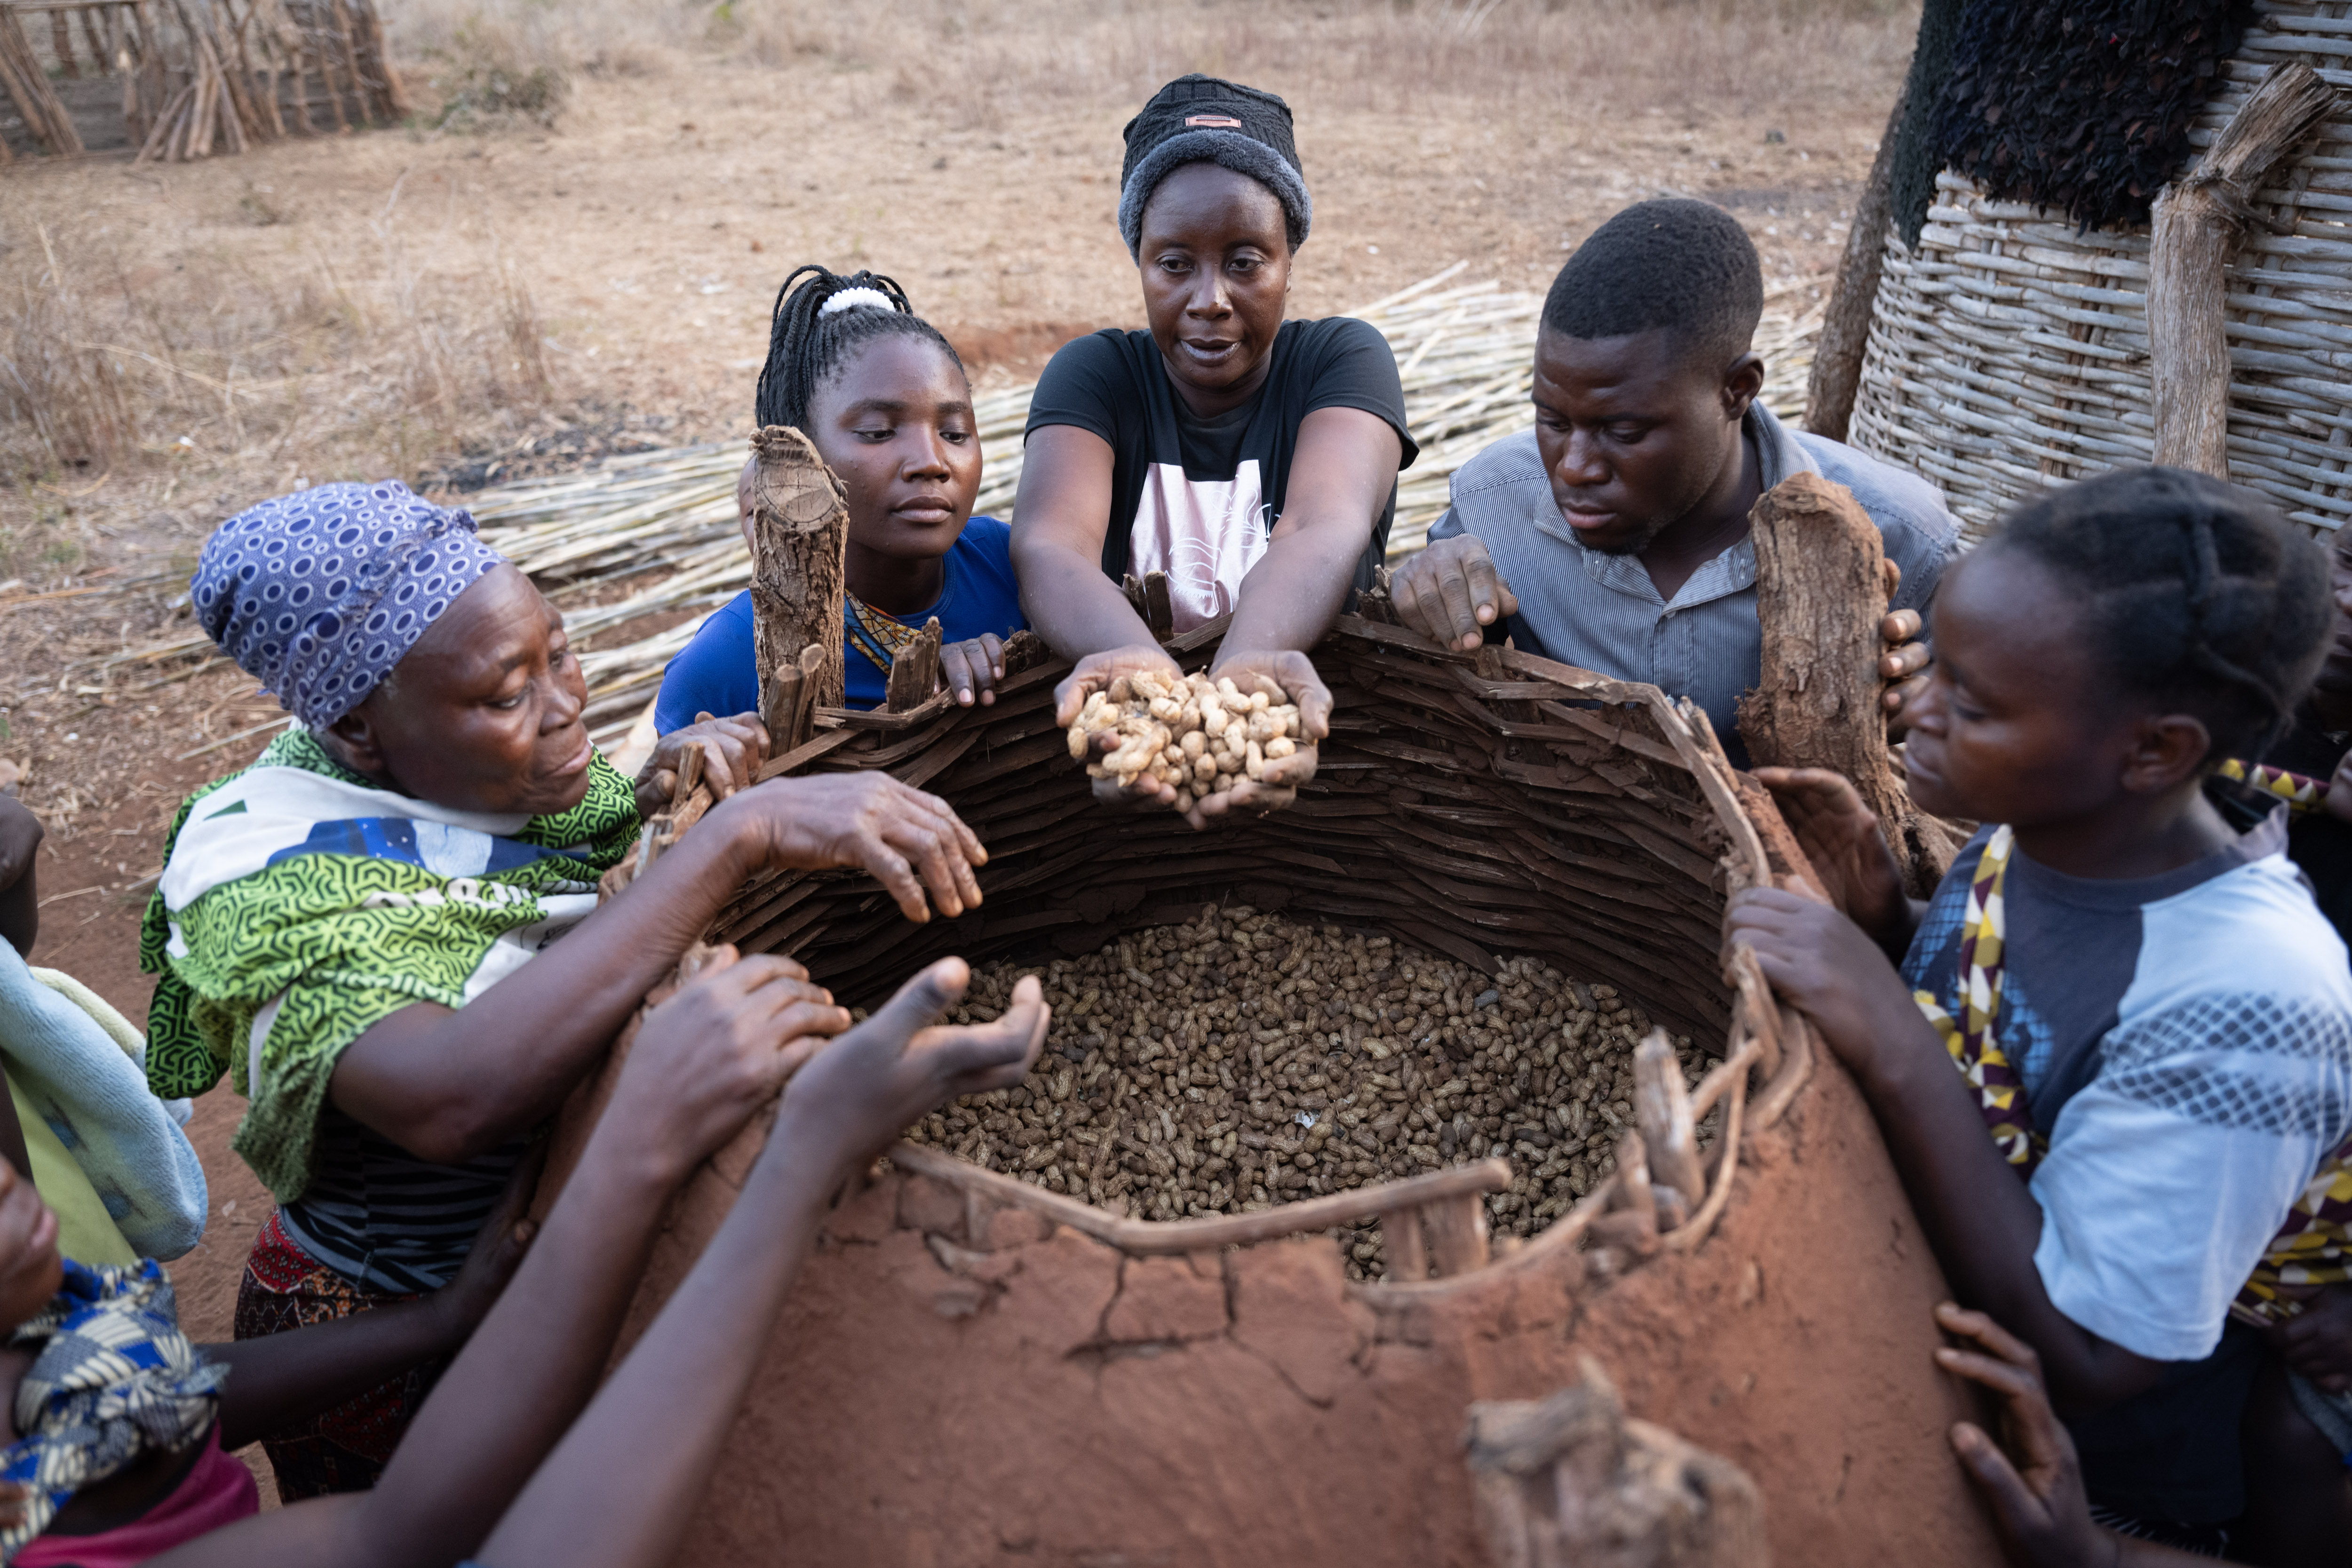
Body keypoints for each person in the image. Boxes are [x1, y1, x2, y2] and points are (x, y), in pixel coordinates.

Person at [143, 480, 990, 1498]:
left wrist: (656, 791)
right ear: (361, 733)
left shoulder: (457, 770)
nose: (567, 703)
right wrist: (736, 837)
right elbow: (454, 1092)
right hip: (392, 1334)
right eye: (508, 694)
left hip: (536, 1284)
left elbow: (554, 855)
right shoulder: (274, 874)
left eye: (562, 651)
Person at [1725, 467, 2352, 1551]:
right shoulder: (2060, 826)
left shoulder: (2251, 1000)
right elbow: (2025, 1026)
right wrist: (1895, 917)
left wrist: (1887, 1030)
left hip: (2111, 1452)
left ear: (2154, 751)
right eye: (1941, 672)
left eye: (1971, 704)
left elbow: (2098, 1357)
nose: (1915, 705)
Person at [0, 926, 1045, 1567]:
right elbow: (411, 1540)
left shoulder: (42, 1346)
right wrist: (795, 1152)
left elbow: (153, 1393)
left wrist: (441, 1320)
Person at [1387, 199, 1955, 761]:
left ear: (1737, 390)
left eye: (1624, 431)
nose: (1574, 467)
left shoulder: (1898, 538)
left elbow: (1992, 768)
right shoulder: (1493, 506)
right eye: (1552, 421)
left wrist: (1928, 717)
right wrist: (1430, 590)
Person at [1012, 73, 1417, 828]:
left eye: (1244, 261)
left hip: (1331, 792)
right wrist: (1155, 692)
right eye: (1174, 264)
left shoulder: (1341, 363)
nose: (1210, 299)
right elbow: (1050, 545)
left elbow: (1319, 527)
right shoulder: (1097, 376)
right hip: (1129, 804)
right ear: (1139, 259)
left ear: (1289, 257)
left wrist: (1239, 677)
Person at [654, 268, 1026, 726]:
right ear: (800, 454)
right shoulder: (725, 665)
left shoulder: (1015, 568)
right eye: (877, 432)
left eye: (954, 433)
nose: (931, 461)